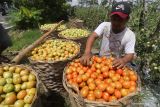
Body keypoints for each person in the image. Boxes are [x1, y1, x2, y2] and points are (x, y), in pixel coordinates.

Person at [80, 2, 136, 69]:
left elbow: (130, 54)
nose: (116, 23)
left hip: (115, 64)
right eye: (114, 19)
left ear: (127, 19)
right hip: (100, 60)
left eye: (120, 20)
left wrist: (123, 60)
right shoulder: (105, 25)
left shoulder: (130, 35)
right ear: (110, 17)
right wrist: (87, 52)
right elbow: (93, 36)